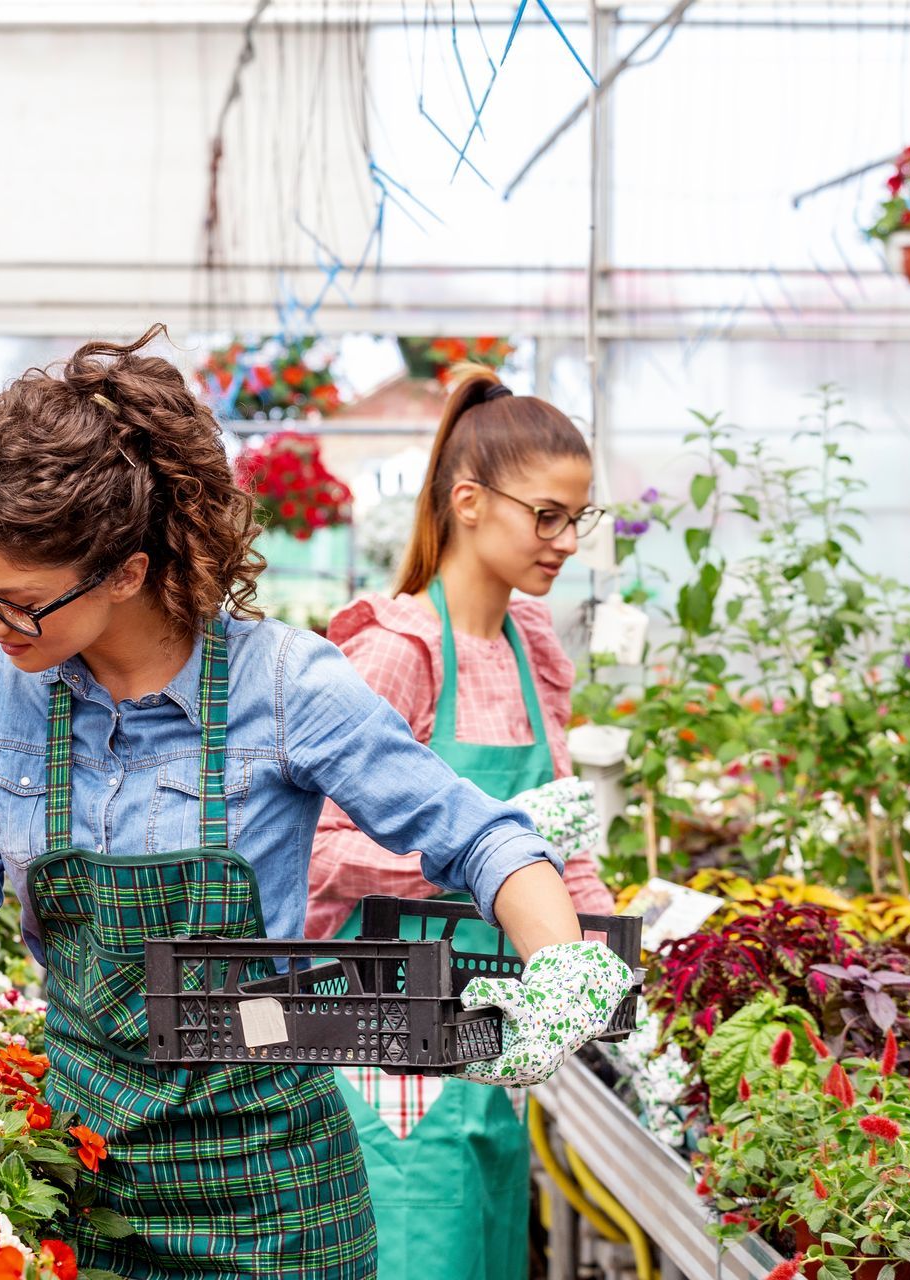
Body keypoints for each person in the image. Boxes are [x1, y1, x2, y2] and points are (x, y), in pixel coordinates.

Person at [0, 328, 634, 1280]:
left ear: (125, 574)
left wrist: (560, 967)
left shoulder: (286, 685)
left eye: (17, 601)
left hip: (276, 1204)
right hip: (82, 1185)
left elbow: (478, 835)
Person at [305, 366, 619, 1280]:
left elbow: (559, 846)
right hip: (388, 1050)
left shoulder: (534, 651)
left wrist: (601, 951)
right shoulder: (396, 653)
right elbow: (318, 854)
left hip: (494, 1037)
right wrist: (473, 859)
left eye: (578, 517)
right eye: (547, 515)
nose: (564, 540)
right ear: (471, 502)